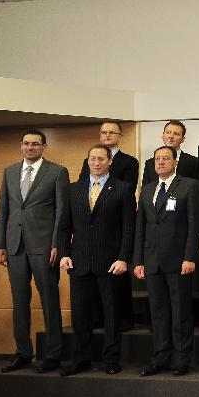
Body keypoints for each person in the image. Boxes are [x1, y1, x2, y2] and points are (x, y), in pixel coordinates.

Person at [57, 144, 135, 376]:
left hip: (111, 263)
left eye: (101, 159)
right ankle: (81, 360)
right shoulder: (74, 189)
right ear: (87, 161)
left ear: (110, 161)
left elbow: (129, 228)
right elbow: (64, 227)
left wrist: (123, 258)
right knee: (80, 315)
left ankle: (111, 360)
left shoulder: (123, 188)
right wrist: (64, 253)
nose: (97, 163)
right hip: (79, 262)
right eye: (92, 159)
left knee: (111, 315)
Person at [0, 129, 70, 374]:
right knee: (20, 301)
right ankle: (23, 353)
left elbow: (61, 212)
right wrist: (0, 245)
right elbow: (3, 212)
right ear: (21, 146)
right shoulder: (9, 172)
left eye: (35, 144)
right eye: (26, 144)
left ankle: (53, 355)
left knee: (49, 301)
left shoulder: (57, 172)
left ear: (44, 147)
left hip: (44, 246)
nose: (30, 148)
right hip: (15, 246)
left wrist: (57, 243)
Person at [133, 146, 199, 376]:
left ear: (175, 162)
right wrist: (139, 261)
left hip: (178, 261)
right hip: (152, 261)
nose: (161, 162)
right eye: (157, 159)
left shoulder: (189, 186)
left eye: (166, 158)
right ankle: (160, 358)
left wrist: (190, 257)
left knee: (180, 312)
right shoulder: (148, 189)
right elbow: (140, 228)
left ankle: (181, 359)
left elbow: (194, 226)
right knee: (158, 313)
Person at [77, 121, 139, 186]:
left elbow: (128, 189)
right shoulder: (88, 161)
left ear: (120, 136)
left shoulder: (130, 162)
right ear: (100, 136)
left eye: (111, 132)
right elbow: (81, 186)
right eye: (104, 132)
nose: (107, 135)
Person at [142, 120, 199, 185]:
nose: (171, 136)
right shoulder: (150, 163)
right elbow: (145, 192)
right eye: (168, 132)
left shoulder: (194, 162)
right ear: (163, 135)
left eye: (176, 134)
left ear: (183, 139)